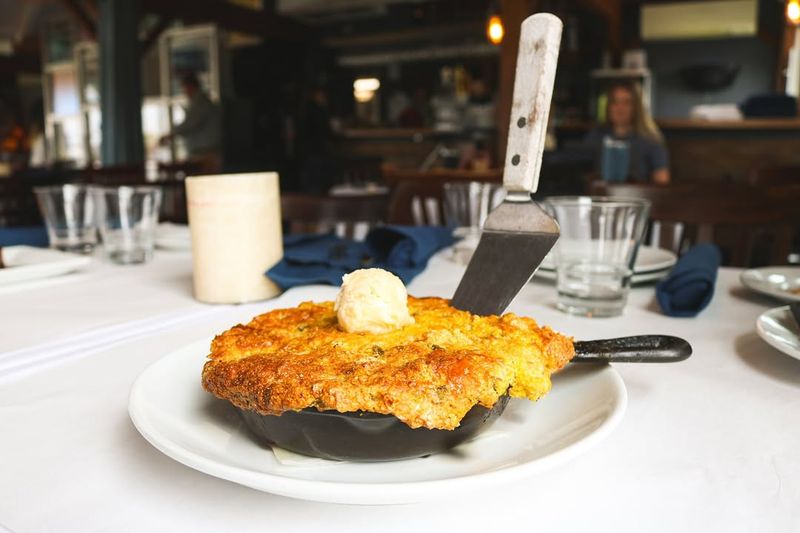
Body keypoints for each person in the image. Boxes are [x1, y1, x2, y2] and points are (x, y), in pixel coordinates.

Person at [585, 82, 670, 184]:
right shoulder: (596, 136)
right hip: (601, 196)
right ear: (608, 106)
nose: (620, 108)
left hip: (637, 196)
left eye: (626, 102)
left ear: (637, 108)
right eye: (615, 102)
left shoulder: (650, 141)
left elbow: (662, 181)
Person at [160, 72, 221, 172]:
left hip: (206, 154)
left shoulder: (201, 103)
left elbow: (189, 124)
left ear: (191, 86)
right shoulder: (199, 102)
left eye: (184, 88)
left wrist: (170, 134)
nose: (184, 92)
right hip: (203, 153)